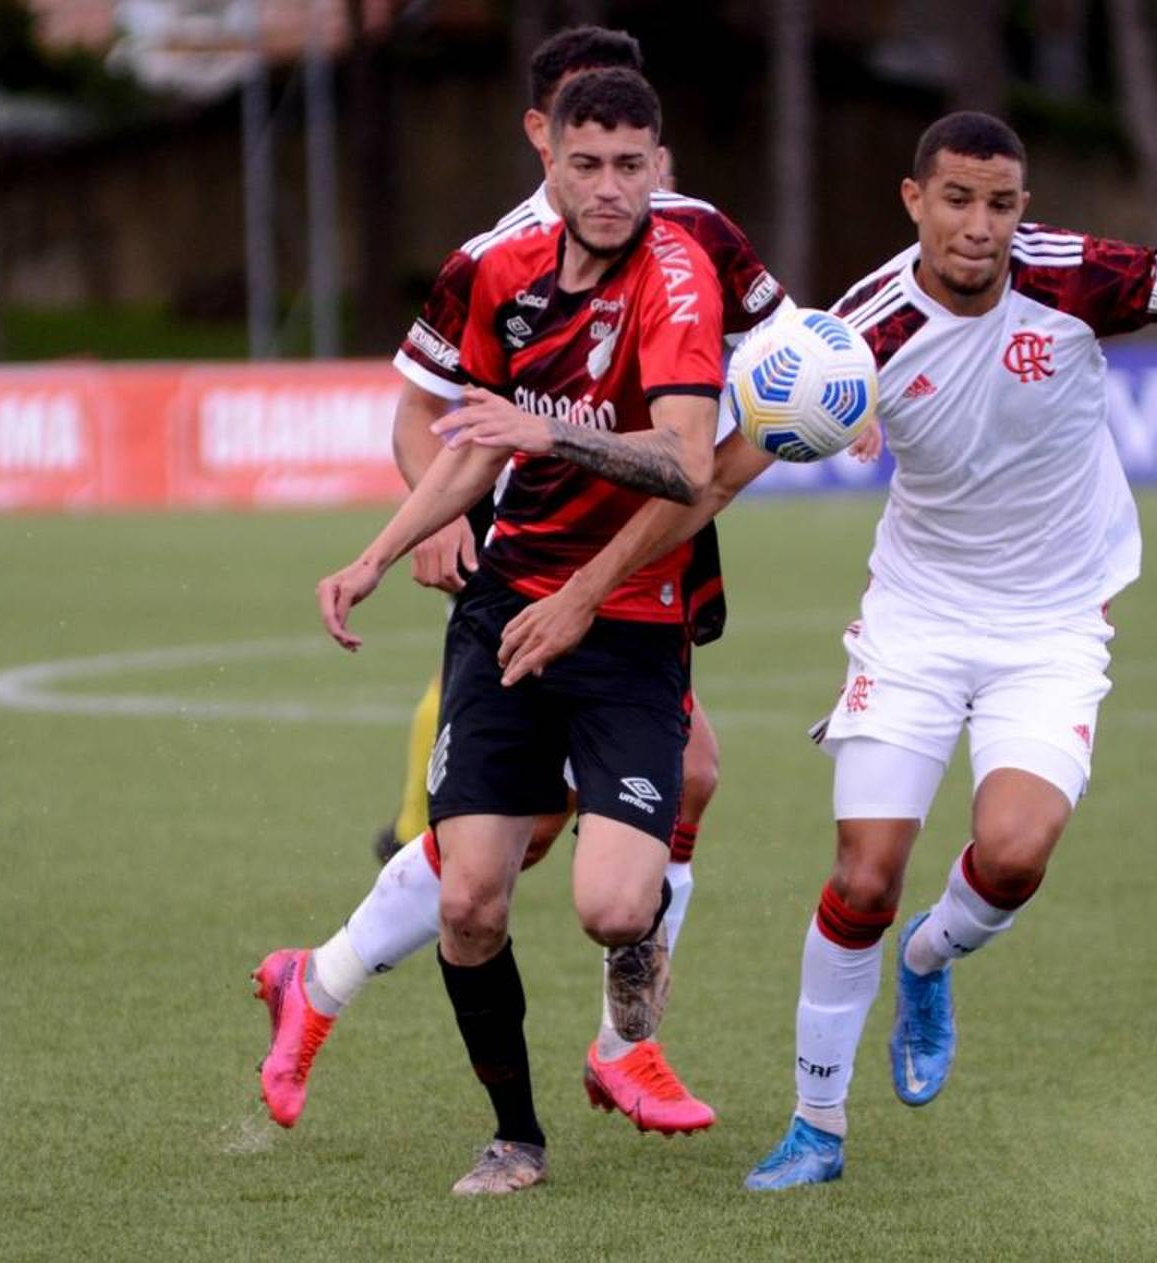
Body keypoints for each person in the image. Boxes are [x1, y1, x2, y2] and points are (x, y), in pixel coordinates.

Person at [486, 110, 1157, 1190]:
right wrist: (586, 591)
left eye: (1000, 204)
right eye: (955, 200)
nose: (978, 226)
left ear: (1023, 208)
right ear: (915, 202)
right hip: (917, 619)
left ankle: (932, 958)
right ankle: (818, 1126)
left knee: (1010, 856)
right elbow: (715, 476)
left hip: (1052, 625)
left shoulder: (1081, 279)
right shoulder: (860, 333)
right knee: (863, 877)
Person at [255, 28, 790, 1148]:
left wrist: (838, 390)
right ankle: (524, 1114)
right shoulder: (497, 262)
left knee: (630, 855)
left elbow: (729, 419)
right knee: (480, 885)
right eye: (582, 157)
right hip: (516, 590)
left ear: (660, 158)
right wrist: (392, 545)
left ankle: (593, 1029)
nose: (609, 182)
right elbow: (448, 423)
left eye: (631, 161)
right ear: (543, 144)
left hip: (638, 585)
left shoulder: (689, 255)